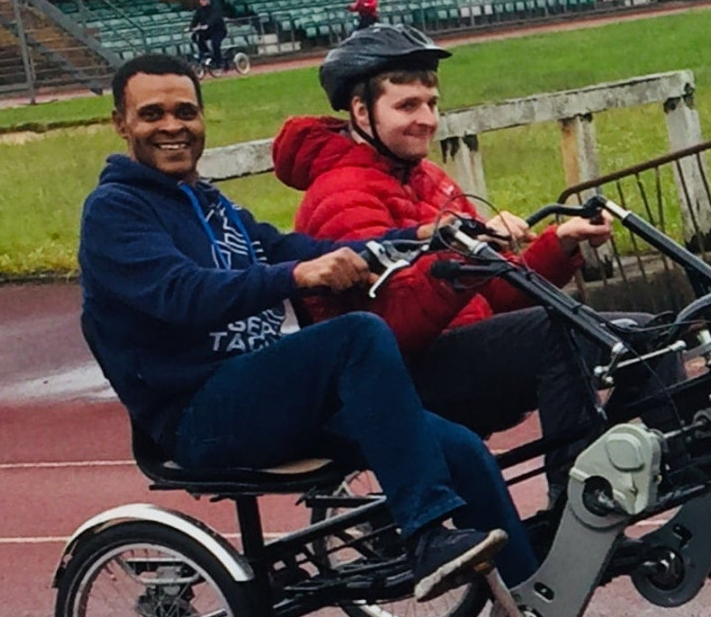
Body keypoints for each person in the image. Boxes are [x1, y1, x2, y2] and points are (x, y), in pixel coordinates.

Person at [83, 53, 643, 617]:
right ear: (121, 124)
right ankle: (427, 532)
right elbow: (182, 292)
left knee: (461, 450)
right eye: (152, 114)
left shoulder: (210, 205)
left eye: (185, 112)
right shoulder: (114, 212)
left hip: (264, 396)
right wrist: (295, 276)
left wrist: (422, 240)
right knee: (355, 335)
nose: (172, 126)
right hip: (197, 414)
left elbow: (302, 248)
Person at [270, 25, 667, 508]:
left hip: (460, 354)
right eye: (407, 105)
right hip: (403, 377)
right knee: (559, 332)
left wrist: (558, 244)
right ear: (360, 111)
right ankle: (578, 507)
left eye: (432, 104)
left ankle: (693, 486)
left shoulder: (427, 179)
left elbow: (496, 292)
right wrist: (464, 254)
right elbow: (390, 328)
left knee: (651, 336)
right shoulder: (339, 195)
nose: (427, 120)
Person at [189, 0, 227, 69]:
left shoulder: (215, 8)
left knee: (215, 43)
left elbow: (214, 18)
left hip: (218, 31)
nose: (201, 1)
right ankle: (206, 53)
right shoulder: (200, 10)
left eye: (203, 0)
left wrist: (208, 24)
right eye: (200, 0)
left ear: (208, 0)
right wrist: (191, 27)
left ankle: (219, 62)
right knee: (197, 37)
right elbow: (195, 19)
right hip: (207, 31)